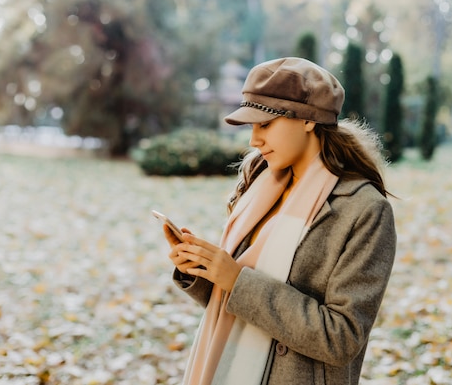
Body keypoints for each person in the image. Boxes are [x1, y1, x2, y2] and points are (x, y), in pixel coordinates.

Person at [163, 57, 396, 385]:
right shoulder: (258, 185)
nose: (253, 141)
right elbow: (238, 305)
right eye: (251, 126)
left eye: (265, 124)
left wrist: (235, 278)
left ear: (308, 120)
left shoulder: (364, 210)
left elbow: (342, 338)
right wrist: (201, 269)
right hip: (225, 370)